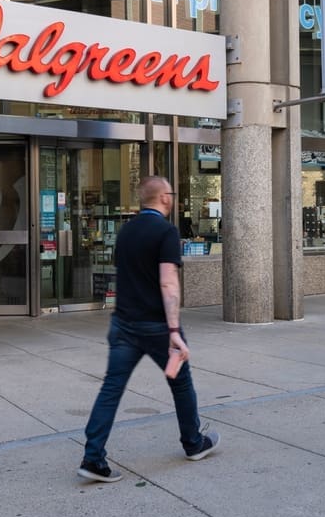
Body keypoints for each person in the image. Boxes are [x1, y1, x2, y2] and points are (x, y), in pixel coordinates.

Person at [77, 176, 219, 483]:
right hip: (156, 326)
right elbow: (168, 283)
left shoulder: (126, 231)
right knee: (181, 383)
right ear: (164, 198)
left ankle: (93, 457)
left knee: (111, 388)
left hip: (123, 323)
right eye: (171, 193)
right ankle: (193, 442)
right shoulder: (166, 232)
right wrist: (174, 330)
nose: (173, 198)